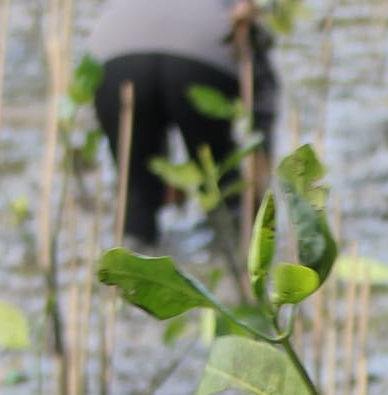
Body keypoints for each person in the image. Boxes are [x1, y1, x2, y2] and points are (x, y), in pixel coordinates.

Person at [87, 0, 278, 251]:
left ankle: (130, 269)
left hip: (114, 59)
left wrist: (160, 169)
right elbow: (263, 93)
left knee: (137, 196)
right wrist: (260, 162)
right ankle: (234, 261)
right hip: (202, 57)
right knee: (222, 186)